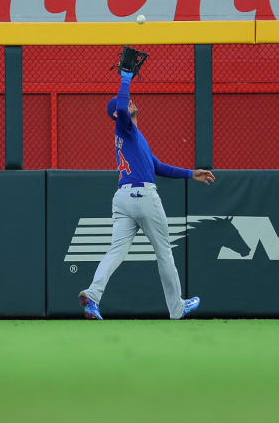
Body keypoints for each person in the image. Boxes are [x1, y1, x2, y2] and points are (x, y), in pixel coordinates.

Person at [79, 69, 215, 320]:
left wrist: (190, 174)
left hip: (123, 199)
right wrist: (125, 78)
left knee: (115, 251)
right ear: (117, 113)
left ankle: (93, 296)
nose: (130, 101)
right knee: (164, 251)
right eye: (126, 101)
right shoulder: (125, 127)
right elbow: (120, 106)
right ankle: (176, 308)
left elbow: (159, 166)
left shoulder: (134, 137)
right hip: (143, 196)